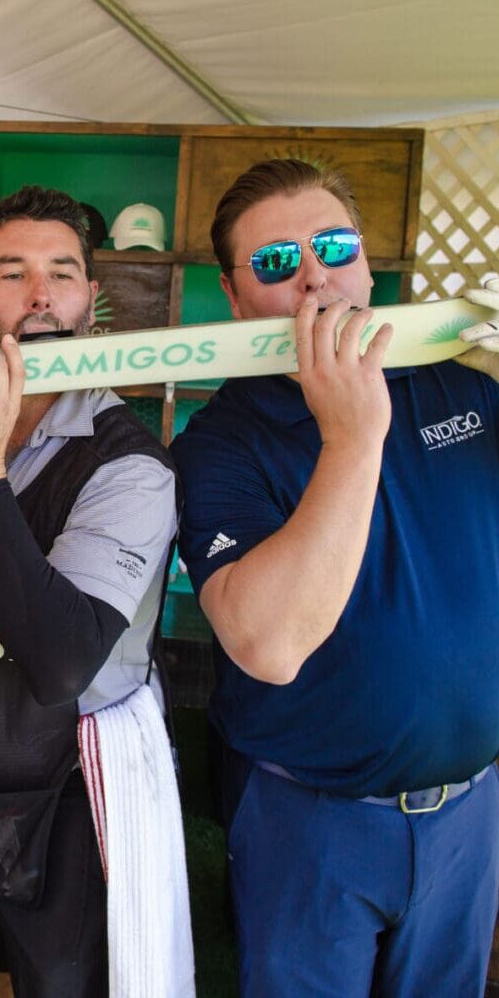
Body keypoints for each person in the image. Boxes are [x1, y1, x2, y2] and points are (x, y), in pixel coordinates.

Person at [170, 159, 499, 995]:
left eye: (334, 245)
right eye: (278, 262)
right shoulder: (220, 441)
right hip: (308, 822)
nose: (314, 274)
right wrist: (352, 439)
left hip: (470, 810)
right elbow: (267, 644)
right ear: (235, 295)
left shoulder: (463, 385)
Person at [0, 187, 183, 997]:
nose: (41, 295)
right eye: (13, 273)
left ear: (89, 298)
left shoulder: (130, 462)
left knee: (64, 978)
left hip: (75, 783)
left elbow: (59, 660)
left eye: (62, 274)